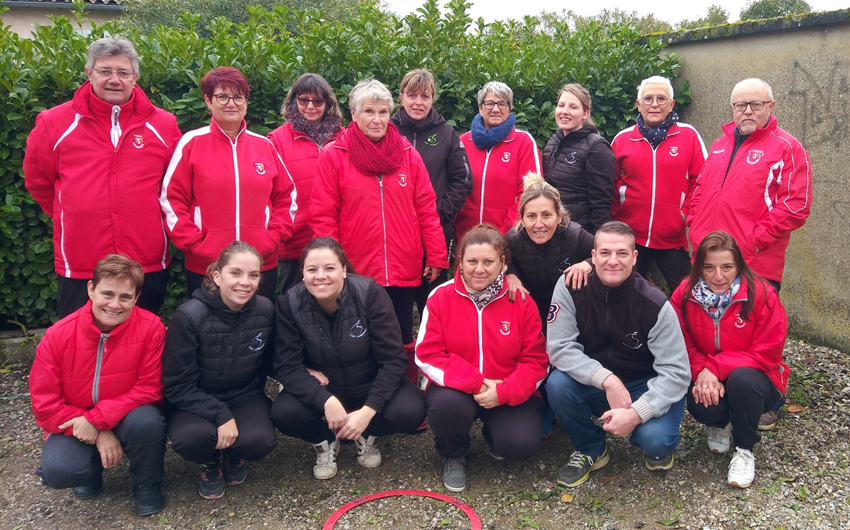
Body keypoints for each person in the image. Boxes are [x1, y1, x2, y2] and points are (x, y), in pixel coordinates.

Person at [24, 37, 181, 318]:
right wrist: (70, 212)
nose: (114, 80)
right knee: (80, 344)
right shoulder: (53, 122)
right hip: (82, 259)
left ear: (135, 77)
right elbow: (39, 181)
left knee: (141, 341)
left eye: (122, 72)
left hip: (146, 258)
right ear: (89, 74)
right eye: (104, 71)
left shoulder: (163, 123)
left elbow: (176, 186)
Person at [311, 78, 447, 376]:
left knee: (401, 331)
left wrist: (436, 255)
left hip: (403, 262)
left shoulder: (407, 155)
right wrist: (332, 262)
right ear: (354, 115)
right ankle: (363, 389)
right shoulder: (336, 155)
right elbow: (323, 214)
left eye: (383, 112)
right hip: (356, 263)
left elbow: (426, 207)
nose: (377, 119)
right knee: (359, 331)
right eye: (369, 112)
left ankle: (404, 387)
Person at [546, 221, 690, 487]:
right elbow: (559, 347)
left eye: (622, 253)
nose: (613, 261)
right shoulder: (570, 287)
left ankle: (645, 434)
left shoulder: (655, 304)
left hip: (644, 386)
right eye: (605, 253)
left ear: (635, 257)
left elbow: (677, 372)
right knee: (557, 384)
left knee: (656, 442)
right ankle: (591, 448)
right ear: (592, 256)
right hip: (597, 383)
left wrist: (636, 413)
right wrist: (606, 379)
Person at [271, 237, 426, 480]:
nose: (320, 276)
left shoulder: (369, 294)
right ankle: (325, 440)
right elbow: (287, 365)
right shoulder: (289, 303)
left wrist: (368, 411)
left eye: (329, 268)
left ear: (344, 270)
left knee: (411, 410)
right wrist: (324, 400)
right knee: (284, 413)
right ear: (303, 273)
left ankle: (365, 432)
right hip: (326, 385)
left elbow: (394, 360)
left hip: (368, 381)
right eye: (312, 269)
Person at [29, 255, 167, 517]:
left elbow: (151, 388)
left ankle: (147, 483)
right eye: (107, 293)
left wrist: (96, 419)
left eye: (125, 297)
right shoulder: (57, 336)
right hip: (75, 420)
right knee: (59, 470)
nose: (115, 304)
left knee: (148, 422)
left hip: (127, 414)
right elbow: (44, 405)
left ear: (136, 297)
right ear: (90, 289)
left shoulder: (152, 329)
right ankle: (89, 473)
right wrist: (94, 428)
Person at [415, 224, 549, 493]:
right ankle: (453, 454)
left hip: (504, 387)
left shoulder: (521, 301)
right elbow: (427, 353)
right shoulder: (440, 297)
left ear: (502, 264)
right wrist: (476, 382)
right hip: (457, 389)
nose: (479, 269)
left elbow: (537, 360)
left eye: (488, 261)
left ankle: (494, 434)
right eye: (472, 261)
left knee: (521, 444)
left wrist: (504, 391)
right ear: (460, 262)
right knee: (446, 407)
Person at [160, 66, 297, 301]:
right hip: (208, 266)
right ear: (208, 101)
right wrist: (197, 245)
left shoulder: (264, 146)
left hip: (259, 266)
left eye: (238, 97)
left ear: (246, 101)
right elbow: (171, 199)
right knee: (209, 330)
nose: (231, 103)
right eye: (222, 96)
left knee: (257, 328)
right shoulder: (191, 143)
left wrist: (271, 239)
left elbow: (287, 197)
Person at [670, 230, 788, 489]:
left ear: (739, 266)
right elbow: (680, 342)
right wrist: (703, 371)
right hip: (707, 372)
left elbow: (768, 353)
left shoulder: (762, 294)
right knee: (699, 403)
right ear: (699, 266)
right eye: (709, 267)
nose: (718, 276)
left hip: (759, 376)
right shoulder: (685, 294)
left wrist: (715, 367)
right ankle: (721, 424)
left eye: (727, 267)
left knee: (743, 381)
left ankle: (745, 449)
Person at [162, 241, 277, 500]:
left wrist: (306, 372)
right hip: (195, 399)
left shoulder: (266, 310)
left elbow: (272, 361)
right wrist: (220, 414)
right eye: (236, 273)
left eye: (253, 275)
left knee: (259, 441)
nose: (245, 282)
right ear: (217, 275)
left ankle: (235, 453)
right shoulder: (188, 316)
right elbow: (176, 385)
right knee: (191, 438)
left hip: (244, 395)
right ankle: (209, 461)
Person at [687, 78, 812, 294]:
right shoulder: (719, 144)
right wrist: (694, 223)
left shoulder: (787, 147)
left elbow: (796, 204)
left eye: (756, 104)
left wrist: (755, 239)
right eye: (741, 105)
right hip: (706, 258)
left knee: (748, 325)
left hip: (752, 264)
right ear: (732, 108)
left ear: (770, 106)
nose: (747, 111)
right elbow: (700, 187)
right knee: (703, 325)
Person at [390, 69, 472, 333]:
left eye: (425, 96)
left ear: (433, 99)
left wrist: (441, 214)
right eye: (412, 95)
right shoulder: (388, 129)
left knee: (433, 298)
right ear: (401, 97)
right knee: (396, 301)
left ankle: (436, 361)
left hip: (436, 231)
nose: (418, 102)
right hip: (396, 231)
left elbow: (463, 180)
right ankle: (400, 360)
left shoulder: (447, 133)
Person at [611, 76, 706, 289]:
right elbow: (610, 184)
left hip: (672, 238)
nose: (654, 104)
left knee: (689, 294)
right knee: (626, 295)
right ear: (638, 104)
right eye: (648, 99)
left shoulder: (689, 136)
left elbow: (702, 182)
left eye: (661, 99)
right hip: (630, 237)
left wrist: (685, 214)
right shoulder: (622, 139)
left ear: (671, 104)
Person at [268, 73, 343, 294]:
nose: (310, 106)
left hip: (335, 239)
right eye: (303, 100)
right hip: (294, 241)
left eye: (317, 101)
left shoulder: (343, 138)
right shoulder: (276, 140)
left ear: (328, 103)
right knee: (293, 302)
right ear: (294, 101)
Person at [505, 172, 594, 335]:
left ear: (559, 216)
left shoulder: (575, 236)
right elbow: (494, 260)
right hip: (532, 314)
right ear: (522, 219)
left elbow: (607, 255)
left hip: (573, 314)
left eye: (546, 215)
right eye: (531, 216)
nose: (539, 224)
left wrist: (588, 263)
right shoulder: (513, 240)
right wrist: (508, 273)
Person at [454, 82, 541, 239]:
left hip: (508, 237)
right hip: (465, 239)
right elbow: (452, 187)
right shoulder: (463, 142)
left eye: (502, 104)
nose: (495, 109)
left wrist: (506, 231)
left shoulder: (523, 142)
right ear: (480, 108)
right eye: (489, 103)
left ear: (509, 108)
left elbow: (530, 192)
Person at [542, 83, 615, 234]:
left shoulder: (597, 147)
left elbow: (601, 203)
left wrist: (598, 242)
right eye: (561, 105)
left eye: (573, 107)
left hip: (580, 235)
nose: (564, 112)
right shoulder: (553, 142)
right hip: (553, 231)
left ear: (585, 113)